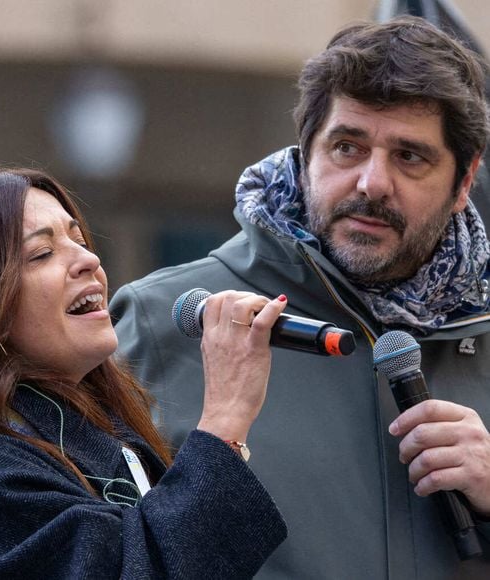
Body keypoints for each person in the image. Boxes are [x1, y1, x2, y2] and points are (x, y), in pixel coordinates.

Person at [110, 16, 490, 579]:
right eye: (346, 147)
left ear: (464, 182)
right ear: (305, 155)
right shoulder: (160, 319)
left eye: (410, 157)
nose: (372, 183)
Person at [0, 168, 289, 578]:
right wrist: (225, 418)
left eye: (79, 239)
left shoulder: (94, 435)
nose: (89, 260)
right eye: (41, 253)